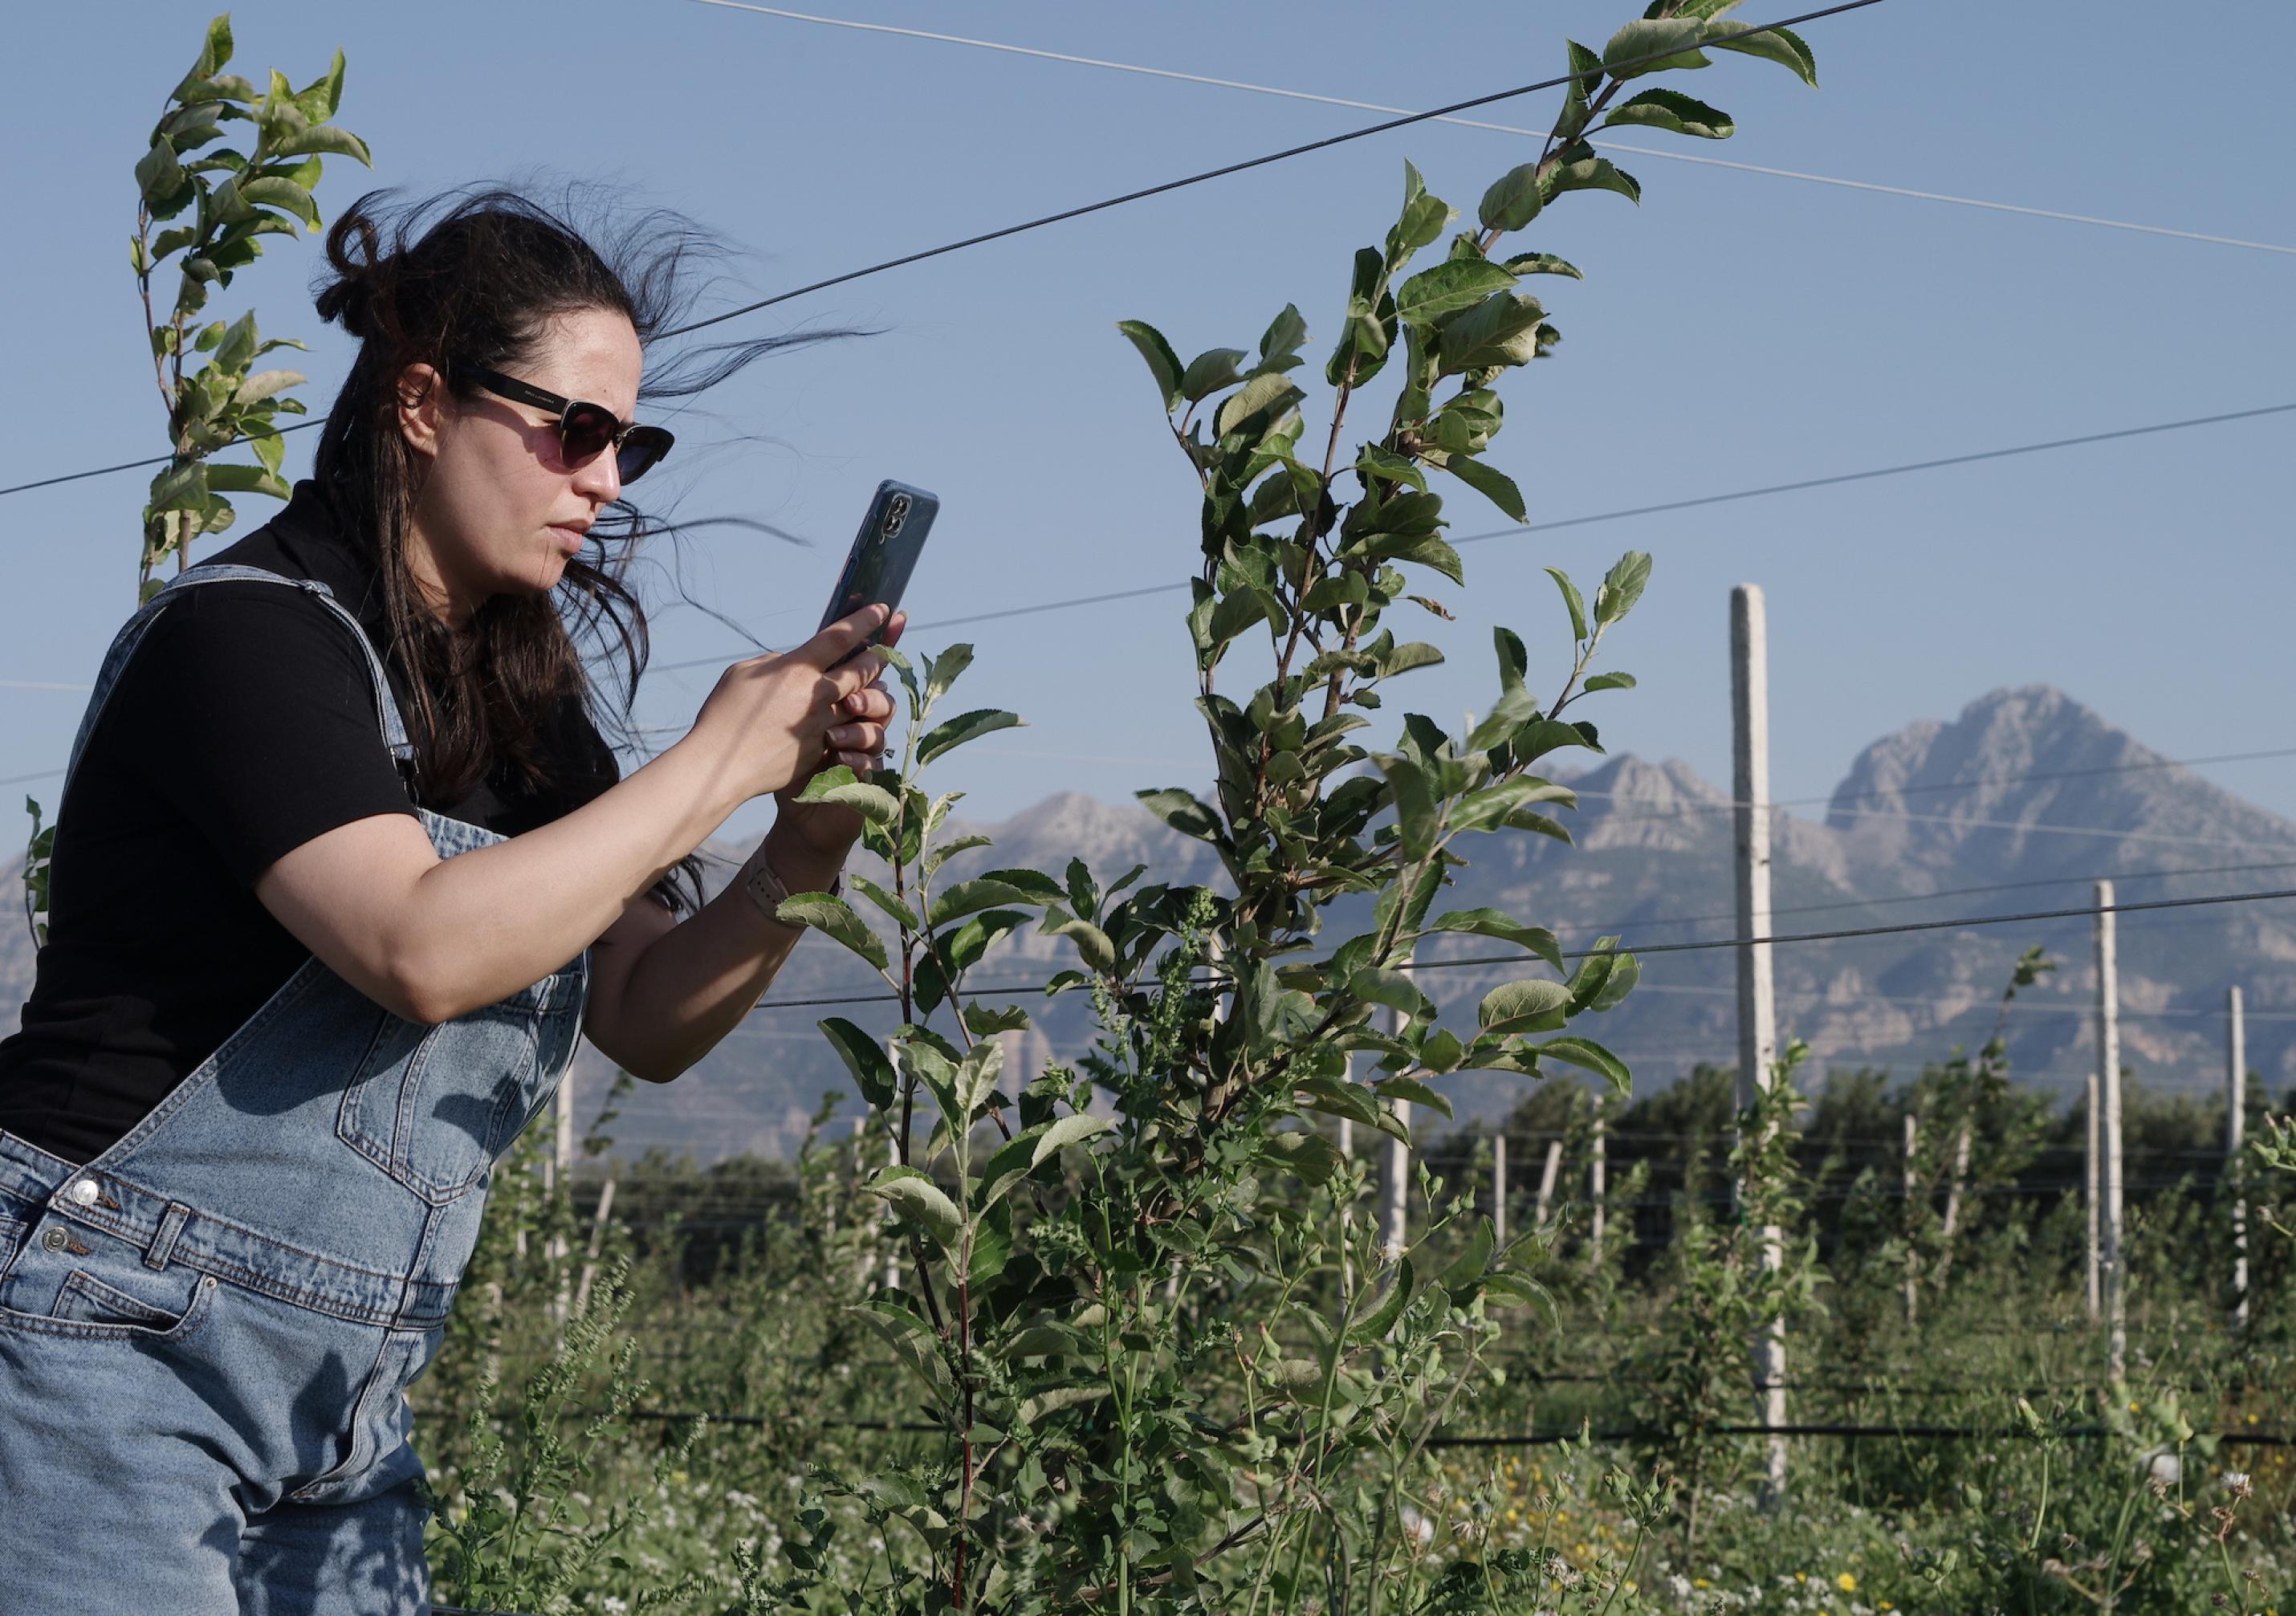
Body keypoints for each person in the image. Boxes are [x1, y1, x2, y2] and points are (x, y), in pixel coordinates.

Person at [0, 186, 905, 1611]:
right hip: (103, 1346)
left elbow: (647, 1012)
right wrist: (720, 756)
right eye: (577, 429)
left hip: (345, 1413)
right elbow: (414, 945)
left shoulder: (529, 715)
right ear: (421, 402)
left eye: (631, 443)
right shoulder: (243, 637)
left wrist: (800, 848)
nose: (607, 480)